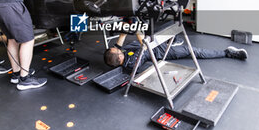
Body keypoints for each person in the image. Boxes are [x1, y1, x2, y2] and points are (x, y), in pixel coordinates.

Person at [104, 33, 248, 71]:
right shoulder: (131, 63)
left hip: (156, 40)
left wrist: (124, 31)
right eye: (115, 49)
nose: (116, 47)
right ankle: (228, 53)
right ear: (118, 55)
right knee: (194, 51)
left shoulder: (120, 55)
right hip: (162, 51)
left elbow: (118, 43)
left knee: (171, 27)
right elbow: (144, 47)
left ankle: (172, 39)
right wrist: (137, 32)